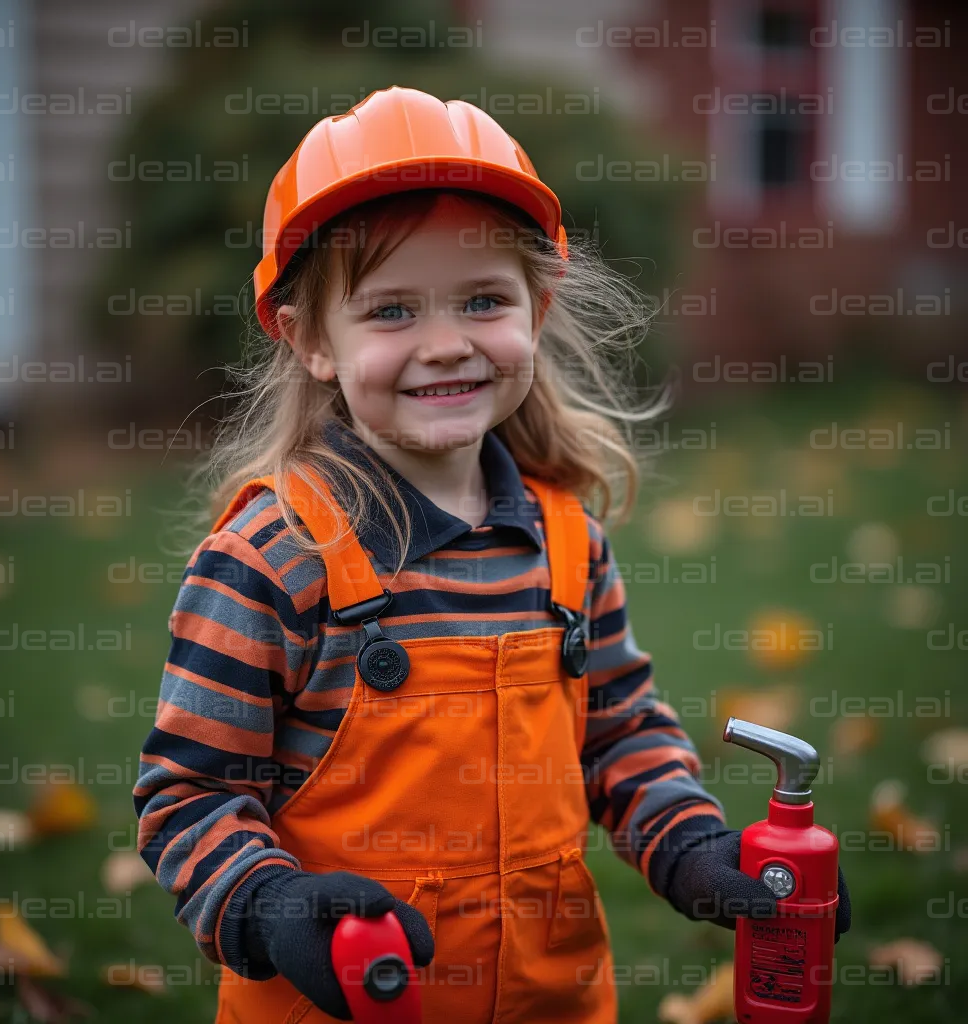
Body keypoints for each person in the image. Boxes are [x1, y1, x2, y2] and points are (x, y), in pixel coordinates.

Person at [133, 86, 849, 1023]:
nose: (445, 346)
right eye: (391, 312)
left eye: (482, 300)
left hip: (553, 1000)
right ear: (310, 339)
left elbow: (620, 734)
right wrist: (270, 904)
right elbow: (189, 795)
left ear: (537, 306)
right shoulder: (275, 558)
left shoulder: (565, 546)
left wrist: (690, 845)